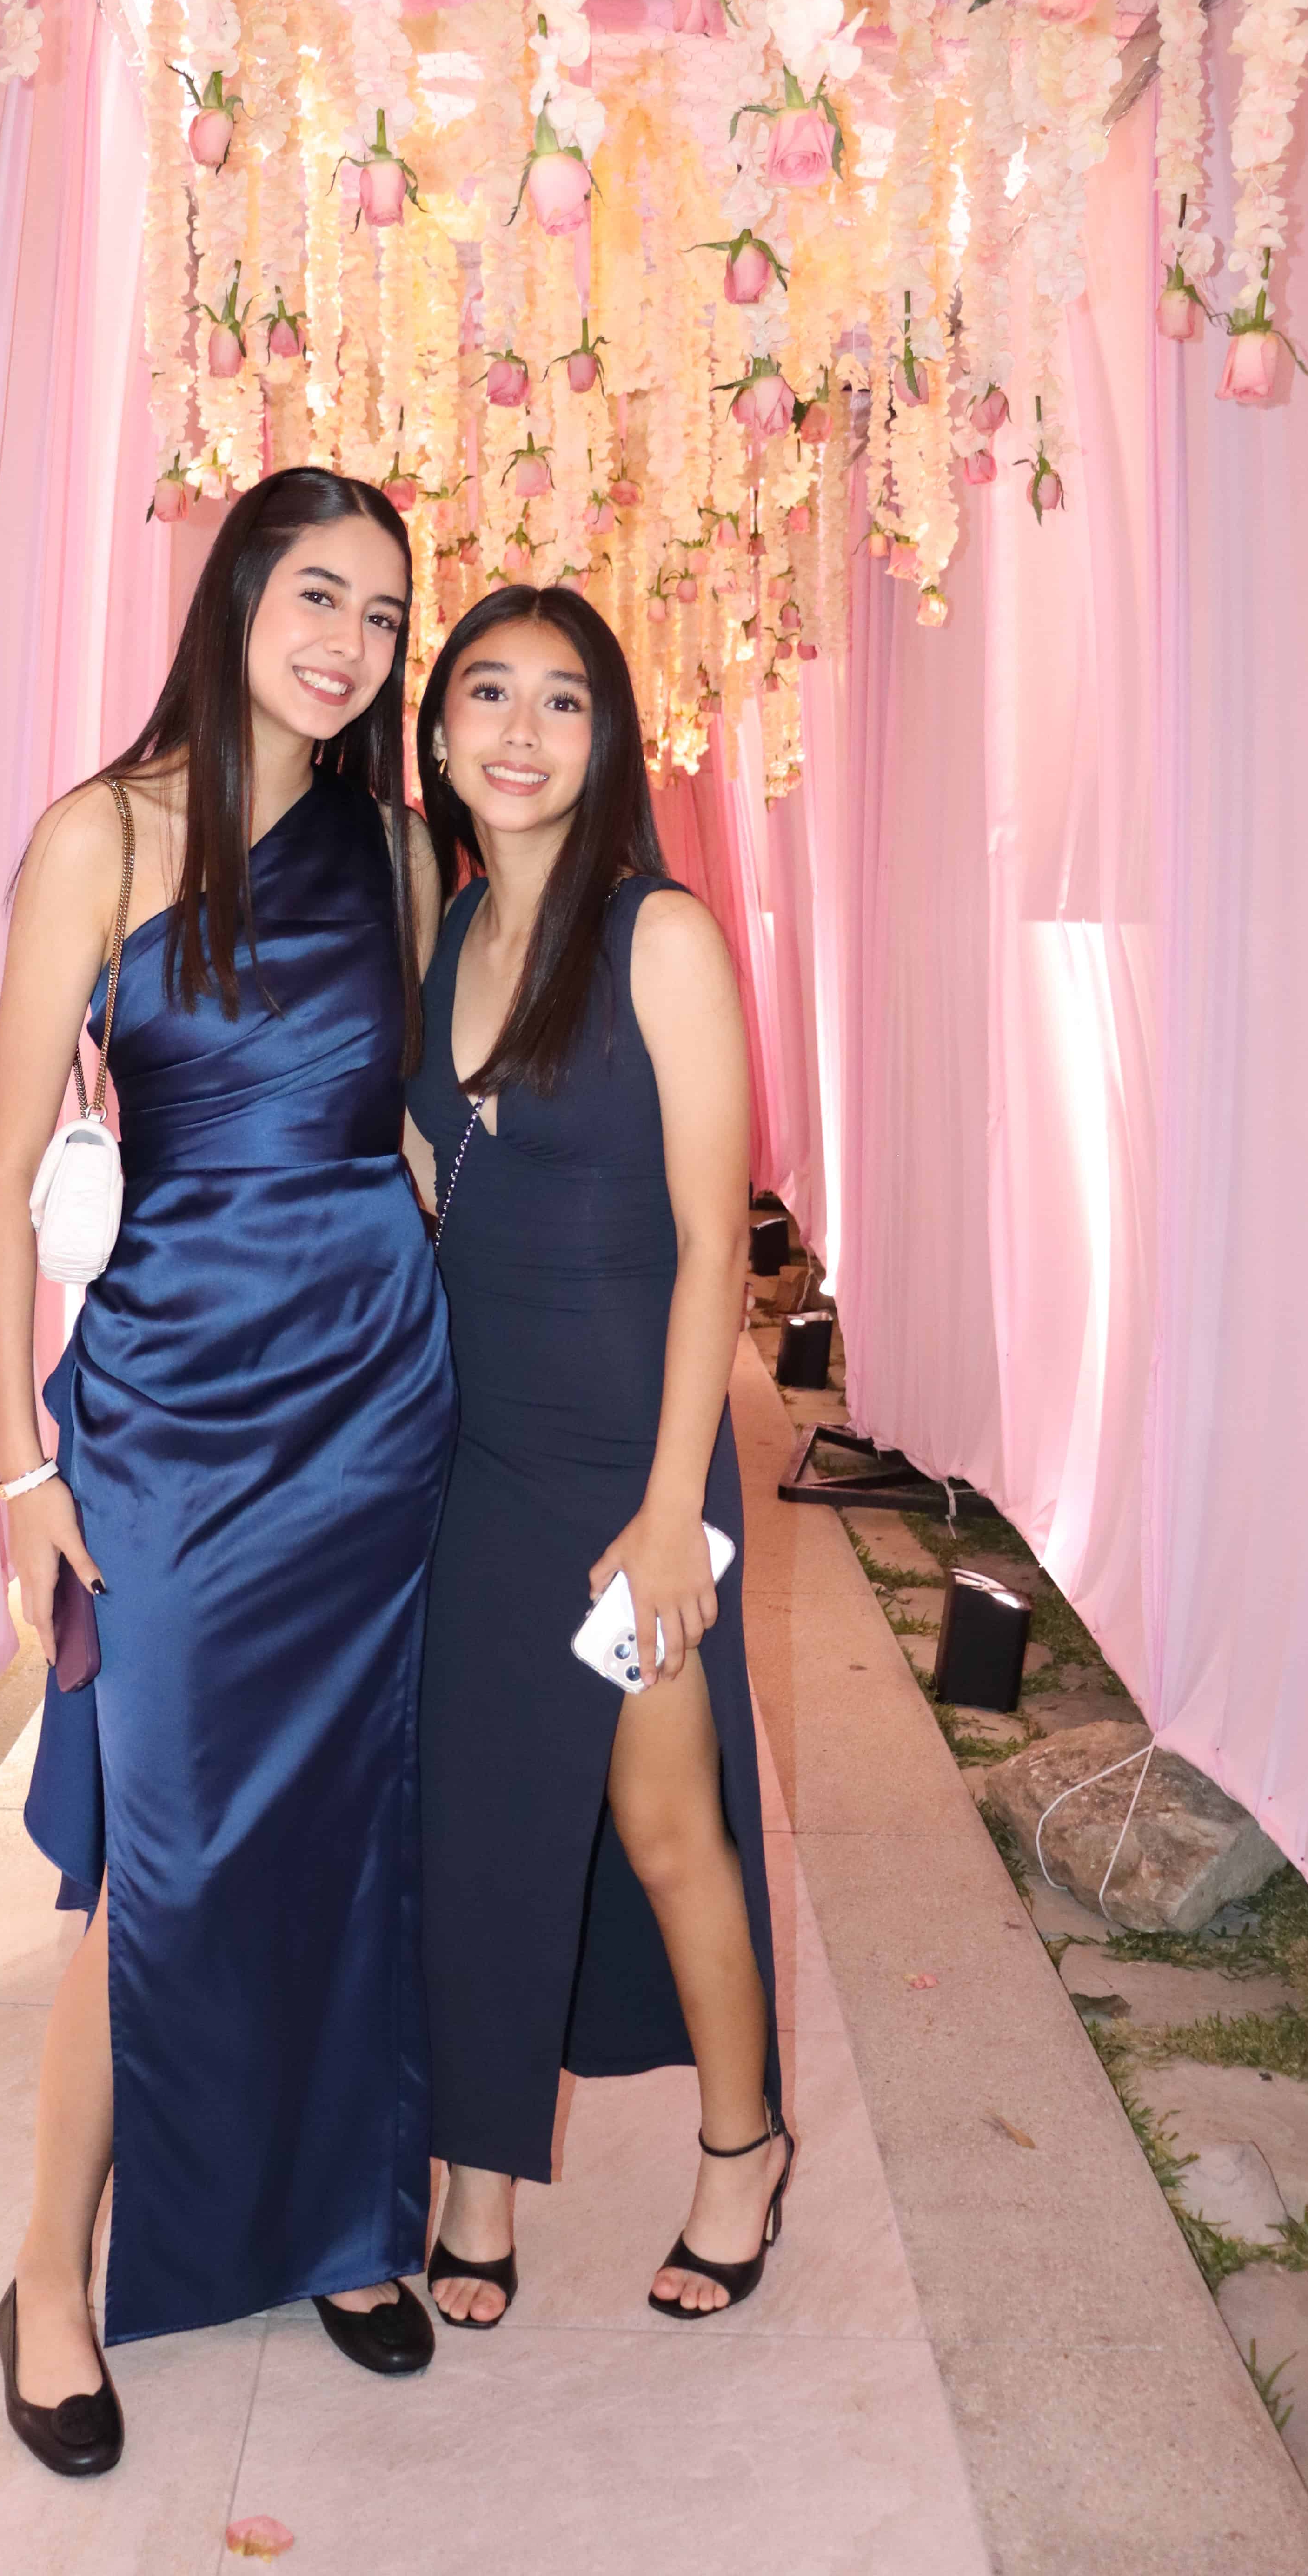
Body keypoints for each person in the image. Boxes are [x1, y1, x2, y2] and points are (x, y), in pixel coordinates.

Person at [0, 468, 456, 2477]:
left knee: (347, 1828)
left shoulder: (400, 849)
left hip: (371, 1398)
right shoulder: (99, 833)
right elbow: (3, 1177)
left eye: (383, 615)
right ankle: (49, 2273)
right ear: (240, 590)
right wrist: (23, 1472)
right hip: (166, 1411)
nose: (350, 643)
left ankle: (343, 2220)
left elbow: (411, 1129)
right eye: (319, 594)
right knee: (154, 1856)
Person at [403, 582, 789, 2332]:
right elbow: (427, 1182)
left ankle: (744, 2148)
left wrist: (670, 1512)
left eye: (563, 701)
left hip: (636, 1469)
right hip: (476, 1463)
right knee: (480, 1823)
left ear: (608, 740)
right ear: (439, 735)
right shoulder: (446, 934)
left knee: (660, 1819)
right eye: (488, 693)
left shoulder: (660, 936)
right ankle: (478, 2176)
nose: (521, 731)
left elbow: (717, 1244)